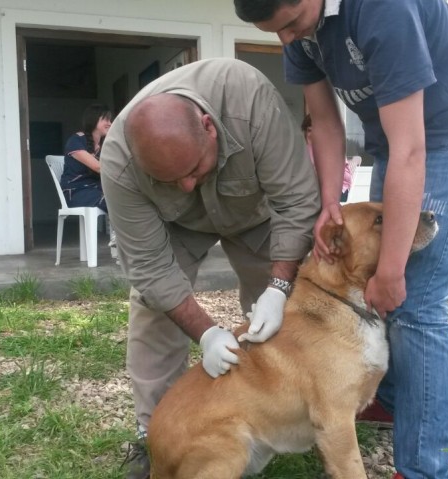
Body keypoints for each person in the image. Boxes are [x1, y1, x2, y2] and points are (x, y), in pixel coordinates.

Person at [234, 1, 448, 477]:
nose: (288, 40)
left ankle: (422, 468)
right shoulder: (298, 29)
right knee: (377, 280)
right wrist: (330, 201)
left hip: (447, 137)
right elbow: (325, 123)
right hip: (393, 143)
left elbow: (412, 149)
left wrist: (393, 269)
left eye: (290, 24)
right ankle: (388, 399)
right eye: (275, 33)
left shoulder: (381, 9)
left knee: (412, 302)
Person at [99, 58, 320, 479]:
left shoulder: (249, 100)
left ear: (208, 126)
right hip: (174, 224)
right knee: (152, 311)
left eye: (193, 169)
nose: (185, 184)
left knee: (285, 314)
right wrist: (207, 332)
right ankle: (155, 436)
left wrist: (276, 287)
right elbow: (149, 266)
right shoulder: (119, 162)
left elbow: (296, 201)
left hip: (252, 213)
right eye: (169, 179)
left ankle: (296, 415)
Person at [60, 103, 117, 247]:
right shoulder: (76, 140)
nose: (110, 123)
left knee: (126, 197)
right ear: (94, 119)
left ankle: (120, 241)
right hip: (76, 191)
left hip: (94, 190)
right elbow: (98, 167)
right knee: (116, 199)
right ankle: (120, 239)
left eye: (110, 120)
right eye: (106, 119)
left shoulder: (103, 145)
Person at [301, 113, 360, 202]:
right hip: (319, 189)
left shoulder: (331, 148)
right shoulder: (307, 149)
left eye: (314, 130)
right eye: (309, 130)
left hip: (338, 190)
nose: (311, 134)